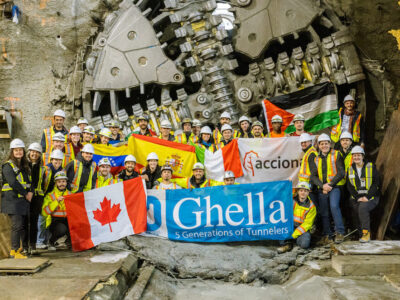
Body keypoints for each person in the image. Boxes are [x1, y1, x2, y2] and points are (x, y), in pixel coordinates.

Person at [310, 133, 346, 244]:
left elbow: (341, 172)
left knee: (334, 206)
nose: (324, 145)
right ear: (319, 145)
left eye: (326, 143)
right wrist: (322, 186)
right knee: (324, 211)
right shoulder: (315, 158)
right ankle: (327, 235)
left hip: (335, 186)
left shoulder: (337, 154)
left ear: (330, 144)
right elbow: (313, 176)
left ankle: (340, 232)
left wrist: (330, 185)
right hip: (322, 188)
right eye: (322, 144)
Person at [1, 139, 32, 259]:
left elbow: (30, 182)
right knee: (17, 225)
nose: (18, 152)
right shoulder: (7, 166)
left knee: (22, 226)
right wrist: (26, 193)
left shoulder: (25, 166)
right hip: (12, 201)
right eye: (16, 150)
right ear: (12, 151)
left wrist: (31, 192)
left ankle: (21, 249)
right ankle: (14, 251)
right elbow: (13, 182)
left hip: (22, 201)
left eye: (20, 150)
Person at [347, 146, 380, 243]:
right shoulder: (350, 169)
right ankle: (360, 234)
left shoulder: (371, 166)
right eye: (354, 155)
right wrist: (357, 197)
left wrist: (367, 197)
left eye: (358, 155)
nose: (356, 157)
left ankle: (366, 234)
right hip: (357, 197)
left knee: (362, 208)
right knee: (355, 209)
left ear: (363, 156)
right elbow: (350, 186)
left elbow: (376, 183)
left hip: (371, 196)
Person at [277, 182, 316, 253]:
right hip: (290, 225)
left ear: (308, 192)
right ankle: (286, 245)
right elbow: (282, 196)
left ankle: (293, 241)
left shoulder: (311, 207)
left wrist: (295, 234)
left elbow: (307, 224)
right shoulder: (291, 199)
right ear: (297, 191)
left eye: (305, 191)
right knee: (281, 229)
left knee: (305, 244)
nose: (303, 193)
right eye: (301, 190)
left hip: (301, 228)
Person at [42, 171, 72, 250]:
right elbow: (45, 212)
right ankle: (51, 241)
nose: (62, 184)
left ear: (66, 182)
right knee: (62, 229)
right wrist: (56, 201)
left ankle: (68, 242)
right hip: (54, 220)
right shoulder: (50, 195)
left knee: (77, 225)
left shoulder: (70, 194)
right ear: (55, 183)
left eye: (63, 181)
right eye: (59, 182)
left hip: (67, 219)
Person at [26, 143, 47, 251]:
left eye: (37, 152)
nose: (35, 154)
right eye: (33, 151)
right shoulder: (24, 165)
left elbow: (44, 183)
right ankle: (24, 246)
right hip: (25, 197)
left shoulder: (42, 168)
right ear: (29, 152)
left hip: (37, 198)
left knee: (34, 222)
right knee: (24, 222)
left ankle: (32, 246)